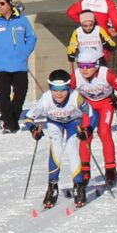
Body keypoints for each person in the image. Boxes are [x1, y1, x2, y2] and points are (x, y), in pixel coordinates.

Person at [23, 69, 91, 209]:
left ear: (69, 87)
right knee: (56, 147)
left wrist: (88, 130)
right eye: (55, 89)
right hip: (55, 123)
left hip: (73, 122)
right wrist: (33, 130)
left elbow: (92, 114)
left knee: (71, 149)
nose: (59, 93)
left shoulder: (76, 97)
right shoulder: (46, 99)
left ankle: (79, 186)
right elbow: (28, 118)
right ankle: (52, 187)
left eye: (63, 89)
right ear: (50, 88)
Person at [71, 48, 117, 185]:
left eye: (88, 66)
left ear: (96, 65)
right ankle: (85, 169)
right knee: (85, 134)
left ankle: (110, 169)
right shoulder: (76, 76)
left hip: (106, 104)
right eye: (80, 66)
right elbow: (67, 91)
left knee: (104, 132)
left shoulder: (106, 74)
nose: (84, 70)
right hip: (88, 106)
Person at [0, 0, 37, 133]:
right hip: (1, 65)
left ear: (10, 4)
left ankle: (11, 118)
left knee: (21, 92)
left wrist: (25, 51)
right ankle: (8, 124)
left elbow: (32, 37)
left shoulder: (22, 20)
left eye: (2, 3)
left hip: (19, 64)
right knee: (3, 96)